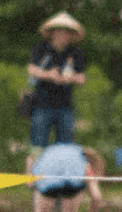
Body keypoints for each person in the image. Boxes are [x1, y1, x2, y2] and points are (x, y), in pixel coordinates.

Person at [26, 13, 86, 148]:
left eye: (67, 32)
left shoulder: (76, 54)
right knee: (38, 143)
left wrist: (71, 78)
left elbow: (82, 78)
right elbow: (31, 70)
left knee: (66, 145)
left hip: (65, 106)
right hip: (42, 104)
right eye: (60, 31)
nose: (63, 35)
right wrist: (49, 75)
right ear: (53, 33)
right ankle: (33, 169)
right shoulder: (41, 48)